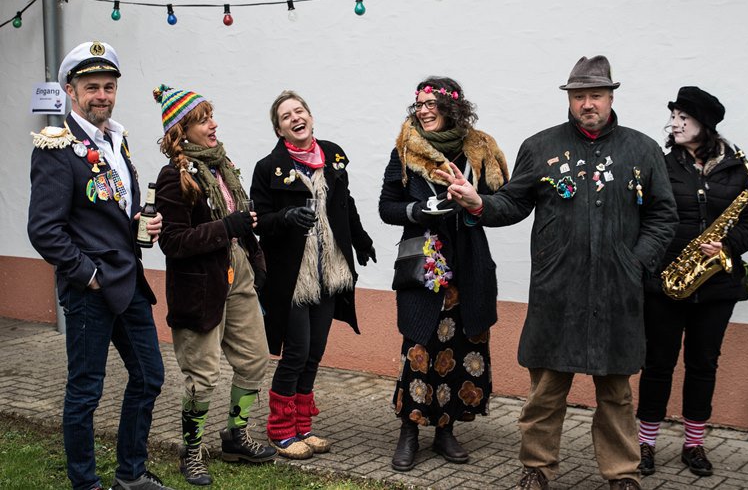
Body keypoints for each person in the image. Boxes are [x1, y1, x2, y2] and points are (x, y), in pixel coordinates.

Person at [439, 56, 678, 490]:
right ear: (569, 99)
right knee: (546, 392)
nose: (588, 103)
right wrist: (477, 202)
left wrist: (637, 261)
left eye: (596, 95)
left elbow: (664, 215)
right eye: (579, 96)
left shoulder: (642, 150)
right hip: (558, 291)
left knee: (617, 394)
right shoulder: (541, 146)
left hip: (617, 293)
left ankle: (622, 473)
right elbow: (512, 203)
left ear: (610, 97)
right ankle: (537, 467)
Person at [27, 42, 172, 490]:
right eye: (92, 87)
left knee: (149, 376)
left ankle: (130, 475)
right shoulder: (56, 148)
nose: (102, 95)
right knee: (85, 392)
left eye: (109, 87)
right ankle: (85, 484)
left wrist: (142, 222)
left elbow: (109, 209)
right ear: (71, 91)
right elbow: (44, 229)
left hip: (128, 282)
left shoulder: (115, 140)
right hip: (90, 288)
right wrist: (87, 275)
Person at [378, 76, 509, 471]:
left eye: (432, 104)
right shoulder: (405, 152)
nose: (424, 110)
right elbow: (387, 206)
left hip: (468, 264)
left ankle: (446, 431)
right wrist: (417, 212)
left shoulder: (479, 149)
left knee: (463, 348)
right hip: (424, 264)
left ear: (452, 109)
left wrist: (473, 200)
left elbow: (502, 201)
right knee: (420, 350)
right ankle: (409, 431)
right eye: (419, 105)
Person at [636, 87, 748, 477]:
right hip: (665, 281)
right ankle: (645, 443)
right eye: (673, 117)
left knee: (703, 364)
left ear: (704, 126)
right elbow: (640, 216)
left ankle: (694, 444)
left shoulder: (739, 169)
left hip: (716, 284)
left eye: (683, 119)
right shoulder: (659, 164)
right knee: (657, 364)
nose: (674, 124)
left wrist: (726, 245)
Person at [153, 85, 278, 486]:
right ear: (182, 130)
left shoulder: (222, 165)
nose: (213, 124)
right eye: (204, 119)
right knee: (203, 375)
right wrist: (227, 226)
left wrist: (255, 259)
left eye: (211, 116)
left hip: (236, 272)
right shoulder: (175, 176)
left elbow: (238, 223)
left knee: (255, 358)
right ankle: (191, 452)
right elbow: (172, 242)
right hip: (199, 286)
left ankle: (235, 436)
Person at [250, 90, 376, 459]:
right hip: (292, 278)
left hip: (329, 272)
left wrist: (362, 239)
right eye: (286, 116)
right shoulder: (268, 168)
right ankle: (279, 430)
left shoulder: (332, 157)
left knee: (315, 353)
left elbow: (345, 205)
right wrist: (285, 218)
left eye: (299, 110)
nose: (295, 118)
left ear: (311, 117)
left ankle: (303, 426)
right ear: (279, 129)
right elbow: (260, 222)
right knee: (296, 353)